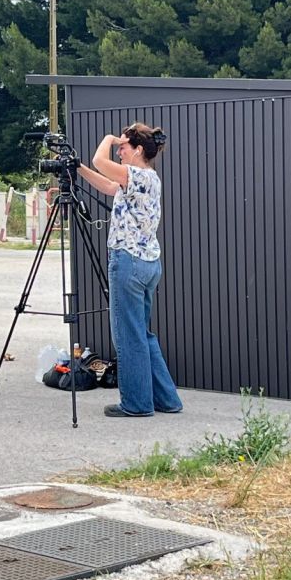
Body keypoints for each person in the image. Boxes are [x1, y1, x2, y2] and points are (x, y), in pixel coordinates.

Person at [78, 122, 183, 418]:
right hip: (148, 263)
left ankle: (136, 404)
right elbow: (109, 185)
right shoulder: (145, 179)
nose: (119, 151)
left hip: (128, 261)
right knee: (142, 333)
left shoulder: (138, 174)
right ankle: (167, 399)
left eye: (124, 147)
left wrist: (109, 139)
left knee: (128, 336)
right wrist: (78, 168)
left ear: (138, 150)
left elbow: (102, 162)